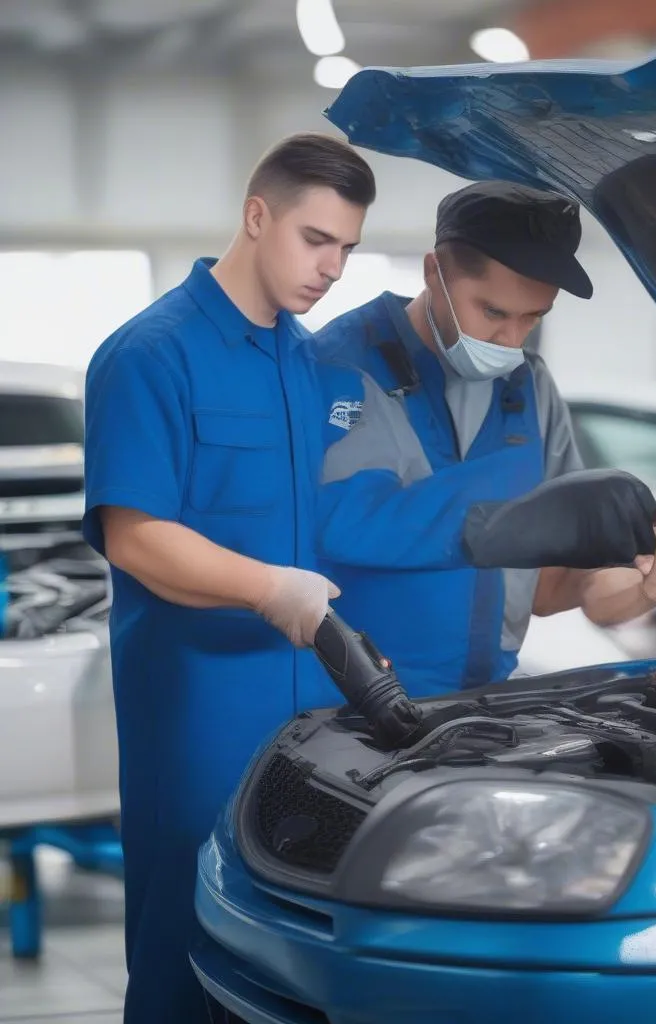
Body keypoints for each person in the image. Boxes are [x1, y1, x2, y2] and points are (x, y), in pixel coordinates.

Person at [82, 133, 376, 1023]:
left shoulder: (302, 357)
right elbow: (136, 538)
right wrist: (265, 588)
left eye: (348, 250)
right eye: (315, 239)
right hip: (196, 712)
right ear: (257, 216)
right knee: (185, 945)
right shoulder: (148, 354)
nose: (332, 268)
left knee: (275, 960)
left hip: (302, 718)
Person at [313, 181, 656, 697]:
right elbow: (341, 524)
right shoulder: (338, 371)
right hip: (345, 709)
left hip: (477, 705)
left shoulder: (530, 391)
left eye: (533, 317)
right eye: (493, 312)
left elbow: (552, 587)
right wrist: (517, 520)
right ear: (434, 272)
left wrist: (650, 585)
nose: (511, 340)